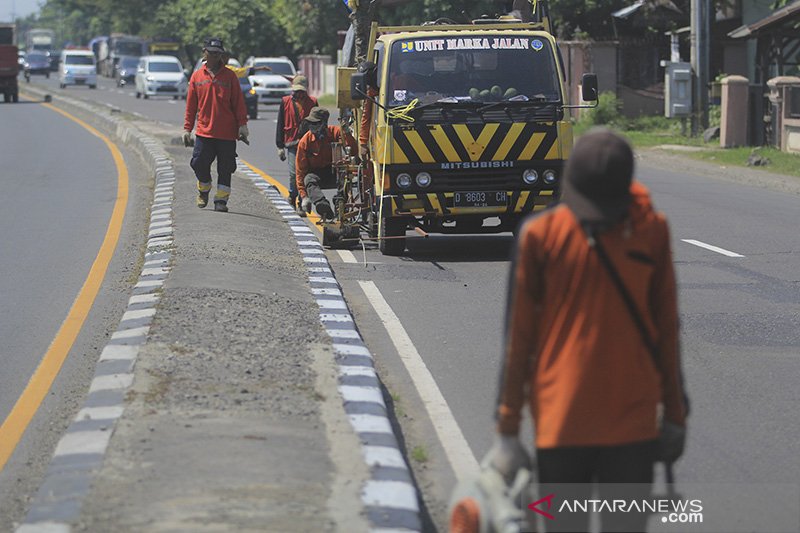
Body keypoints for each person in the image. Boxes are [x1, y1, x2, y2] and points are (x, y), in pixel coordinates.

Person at [489, 128, 688, 532]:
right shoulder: (650, 230)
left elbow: (518, 341)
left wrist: (508, 431)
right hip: (630, 429)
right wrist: (675, 415)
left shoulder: (540, 235)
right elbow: (667, 331)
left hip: (561, 427)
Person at [183, 37, 248, 213]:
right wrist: (187, 129)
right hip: (204, 132)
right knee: (198, 162)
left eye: (218, 54)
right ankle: (204, 189)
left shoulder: (230, 77)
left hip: (227, 133)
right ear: (205, 53)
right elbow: (191, 106)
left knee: (226, 168)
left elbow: (238, 103)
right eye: (211, 53)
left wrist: (242, 125)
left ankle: (221, 200)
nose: (214, 57)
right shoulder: (197, 76)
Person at [295, 107, 357, 220]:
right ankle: (322, 204)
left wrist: (347, 133)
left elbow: (353, 151)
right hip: (316, 174)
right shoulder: (305, 141)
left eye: (316, 123)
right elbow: (300, 171)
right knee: (308, 179)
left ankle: (340, 204)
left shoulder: (336, 132)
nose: (312, 127)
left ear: (324, 123)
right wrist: (304, 197)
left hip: (335, 171)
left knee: (345, 176)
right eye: (310, 123)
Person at [276, 74, 318, 216]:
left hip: (308, 145)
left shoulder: (313, 102)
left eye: (301, 91)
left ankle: (301, 202)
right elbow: (280, 124)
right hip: (292, 144)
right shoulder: (285, 101)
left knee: (305, 174)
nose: (299, 93)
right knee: (294, 174)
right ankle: (292, 196)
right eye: (297, 90)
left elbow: (318, 124)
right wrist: (280, 146)